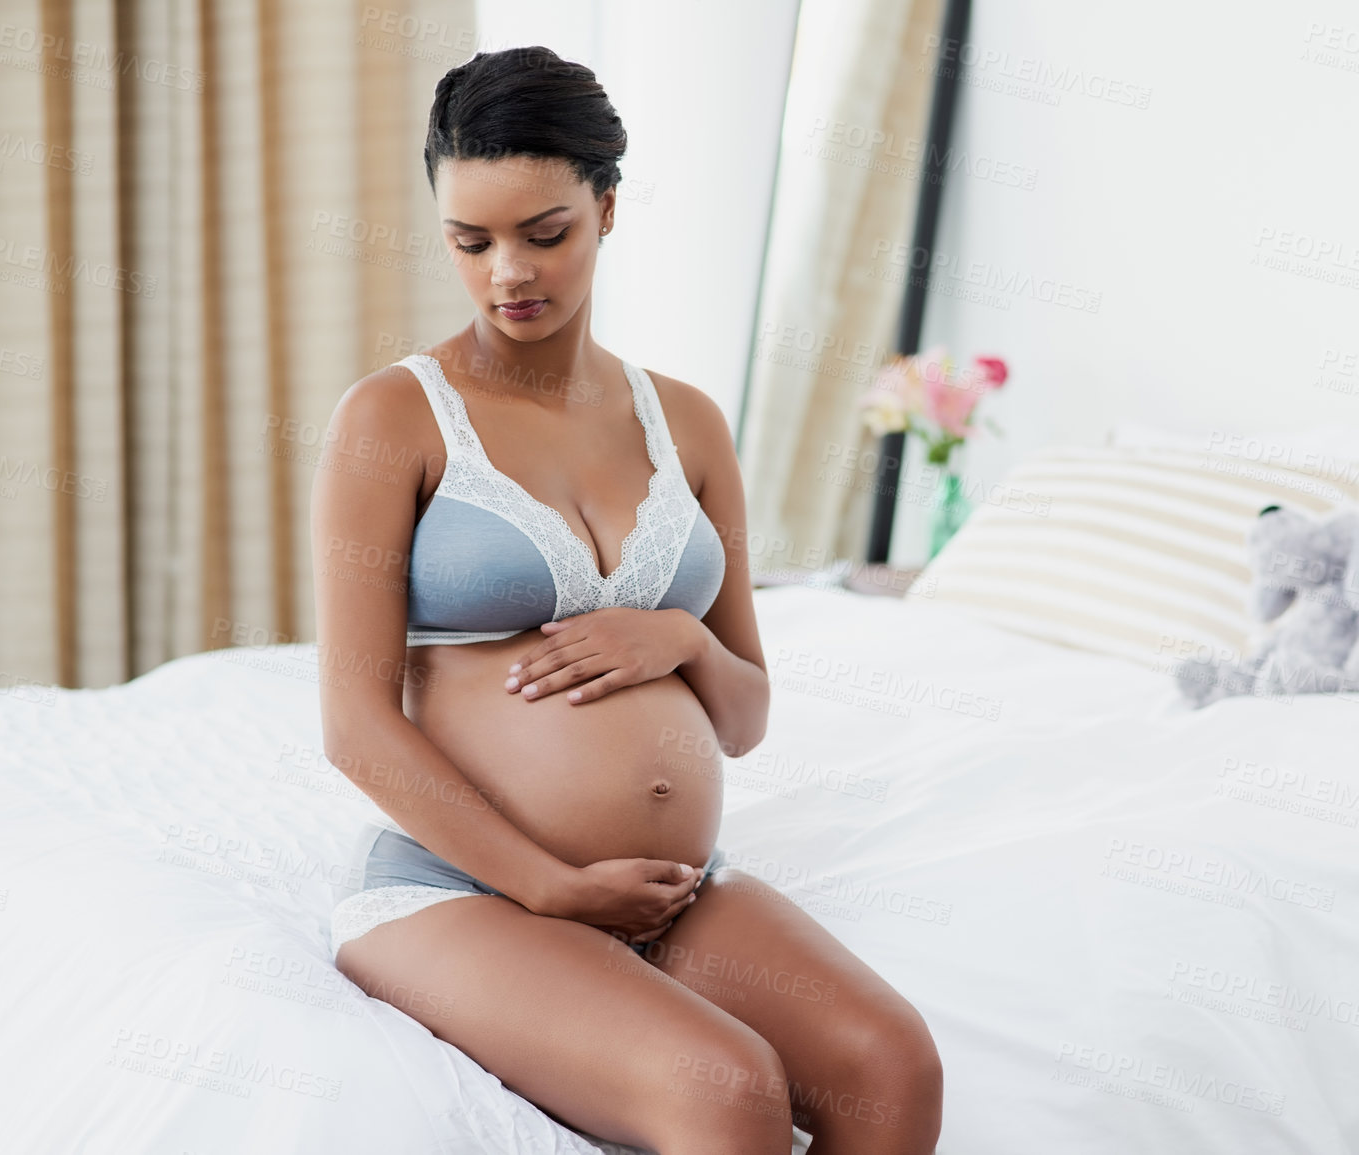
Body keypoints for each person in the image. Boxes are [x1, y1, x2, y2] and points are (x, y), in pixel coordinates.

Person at [310, 45, 943, 1155]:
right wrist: (553, 888)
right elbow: (357, 730)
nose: (509, 271)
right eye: (472, 241)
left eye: (544, 232)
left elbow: (743, 719)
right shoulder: (391, 420)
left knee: (893, 1066)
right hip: (466, 890)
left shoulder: (689, 424)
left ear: (605, 207)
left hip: (670, 888)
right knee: (725, 1087)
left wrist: (680, 637)